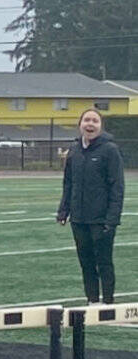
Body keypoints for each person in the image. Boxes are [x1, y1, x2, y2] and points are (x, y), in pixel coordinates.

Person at [57, 108, 124, 304]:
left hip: (101, 219)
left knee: (104, 262)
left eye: (94, 121)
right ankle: (92, 300)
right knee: (86, 262)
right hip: (78, 219)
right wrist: (64, 210)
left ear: (101, 126)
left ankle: (109, 303)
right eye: (86, 120)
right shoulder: (74, 151)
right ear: (80, 125)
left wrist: (112, 218)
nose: (90, 124)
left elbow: (117, 187)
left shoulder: (110, 150)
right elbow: (68, 183)